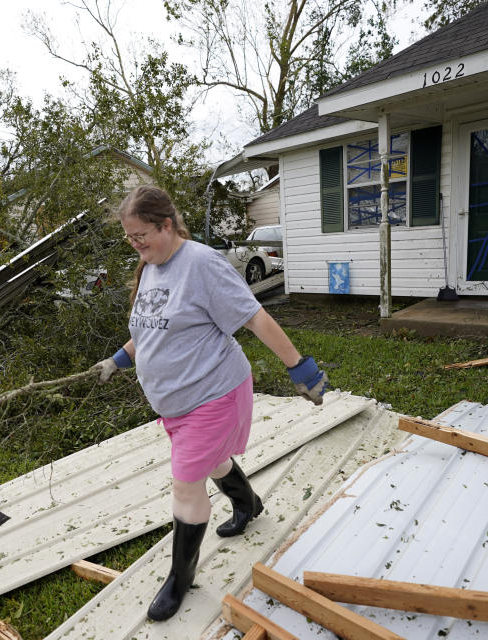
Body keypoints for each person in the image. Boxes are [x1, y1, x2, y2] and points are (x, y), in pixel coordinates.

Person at [91, 184, 328, 621]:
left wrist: (302, 369)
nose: (135, 244)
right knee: (213, 463)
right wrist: (119, 358)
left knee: (185, 486)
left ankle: (179, 581)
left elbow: (255, 317)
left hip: (213, 394)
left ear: (167, 225)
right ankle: (248, 504)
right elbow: (152, 327)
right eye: (129, 237)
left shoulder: (202, 264)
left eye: (141, 235)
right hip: (175, 403)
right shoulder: (151, 265)